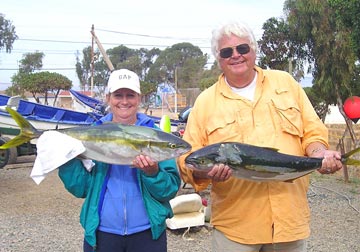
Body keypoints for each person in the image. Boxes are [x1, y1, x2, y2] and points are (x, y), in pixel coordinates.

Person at [177, 21, 343, 252]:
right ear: (219, 59)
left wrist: (319, 154)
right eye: (227, 52)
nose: (236, 55)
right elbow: (188, 159)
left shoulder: (286, 83)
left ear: (254, 50)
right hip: (236, 229)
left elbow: (312, 131)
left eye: (242, 48)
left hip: (289, 222)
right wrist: (204, 171)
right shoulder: (205, 102)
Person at [58, 69, 181, 252]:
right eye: (118, 95)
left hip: (147, 234)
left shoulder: (156, 137)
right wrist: (66, 159)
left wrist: (153, 173)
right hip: (102, 234)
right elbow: (81, 188)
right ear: (108, 98)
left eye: (130, 95)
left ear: (139, 98)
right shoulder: (92, 134)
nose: (124, 101)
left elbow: (168, 190)